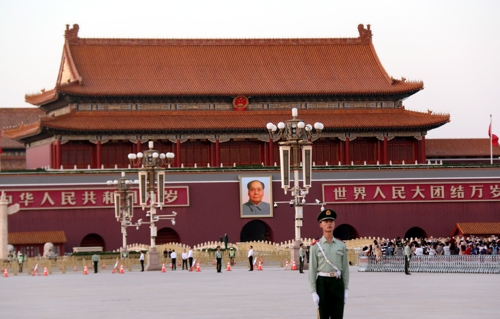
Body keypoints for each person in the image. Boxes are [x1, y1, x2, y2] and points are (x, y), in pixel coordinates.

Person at [309, 209, 349, 319]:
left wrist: (346, 289)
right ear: (320, 224)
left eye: (331, 221)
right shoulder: (315, 247)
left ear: (334, 223)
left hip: (337, 283)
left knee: (338, 316)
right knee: (324, 316)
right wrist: (313, 292)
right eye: (326, 221)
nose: (329, 224)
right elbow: (312, 271)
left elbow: (345, 269)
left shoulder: (341, 245)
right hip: (322, 283)